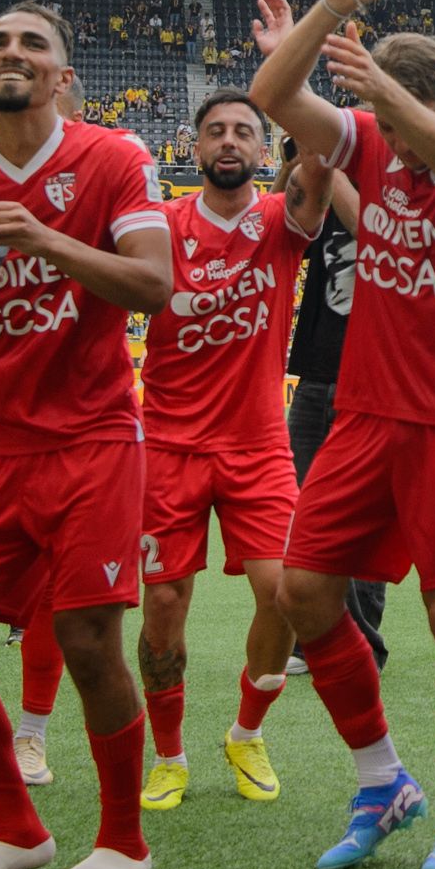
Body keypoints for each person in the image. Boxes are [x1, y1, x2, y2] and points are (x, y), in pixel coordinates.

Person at [249, 0, 435, 869]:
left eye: (406, 128)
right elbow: (269, 93)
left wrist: (382, 98)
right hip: (364, 413)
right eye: (386, 133)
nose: (399, 152)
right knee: (304, 593)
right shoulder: (370, 143)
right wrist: (329, 9)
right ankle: (382, 780)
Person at [0, 3, 173, 869]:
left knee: (91, 642)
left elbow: (154, 286)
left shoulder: (114, 156)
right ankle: (19, 832)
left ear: (62, 77)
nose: (9, 54)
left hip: (95, 438)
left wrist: (44, 238)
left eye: (33, 45)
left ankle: (123, 843)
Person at [133, 93, 334, 813]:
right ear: (194, 149)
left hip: (257, 444)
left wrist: (299, 69)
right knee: (162, 605)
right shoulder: (159, 224)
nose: (227, 141)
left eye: (243, 131)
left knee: (288, 594)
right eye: (214, 130)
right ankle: (169, 755)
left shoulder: (282, 219)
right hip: (169, 444)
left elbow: (327, 157)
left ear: (261, 149)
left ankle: (246, 733)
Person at [277, 120, 387, 671]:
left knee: (360, 517)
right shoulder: (324, 182)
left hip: (371, 375)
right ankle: (313, 635)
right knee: (301, 509)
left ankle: (362, 641)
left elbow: (371, 230)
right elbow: (271, 220)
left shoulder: (388, 188)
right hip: (319, 372)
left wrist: (330, 159)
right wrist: (296, 160)